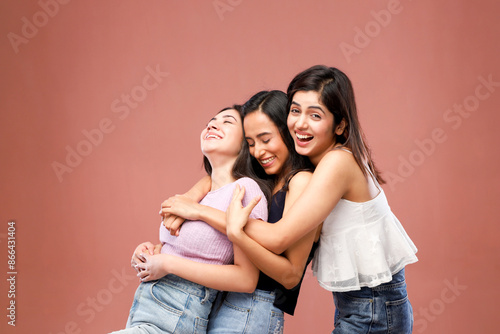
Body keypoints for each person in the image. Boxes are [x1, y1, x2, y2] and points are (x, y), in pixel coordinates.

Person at [225, 65, 418, 333]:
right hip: (362, 305)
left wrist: (222, 218)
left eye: (315, 115)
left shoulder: (338, 161)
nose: (300, 123)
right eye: (295, 110)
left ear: (340, 125)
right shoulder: (319, 164)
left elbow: (280, 237)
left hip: (374, 306)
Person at [160, 90, 321, 332]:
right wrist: (191, 198)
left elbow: (289, 276)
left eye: (266, 140)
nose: (257, 152)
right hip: (222, 300)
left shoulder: (301, 182)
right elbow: (216, 180)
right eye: (251, 143)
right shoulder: (263, 177)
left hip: (257, 305)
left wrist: (201, 212)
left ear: (288, 133)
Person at [110, 106, 269, 334]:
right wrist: (151, 251)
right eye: (211, 121)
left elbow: (246, 279)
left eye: (227, 121)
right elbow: (190, 249)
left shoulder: (245, 190)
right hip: (144, 308)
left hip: (176, 314)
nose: (213, 124)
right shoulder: (200, 194)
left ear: (246, 143)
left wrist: (167, 264)